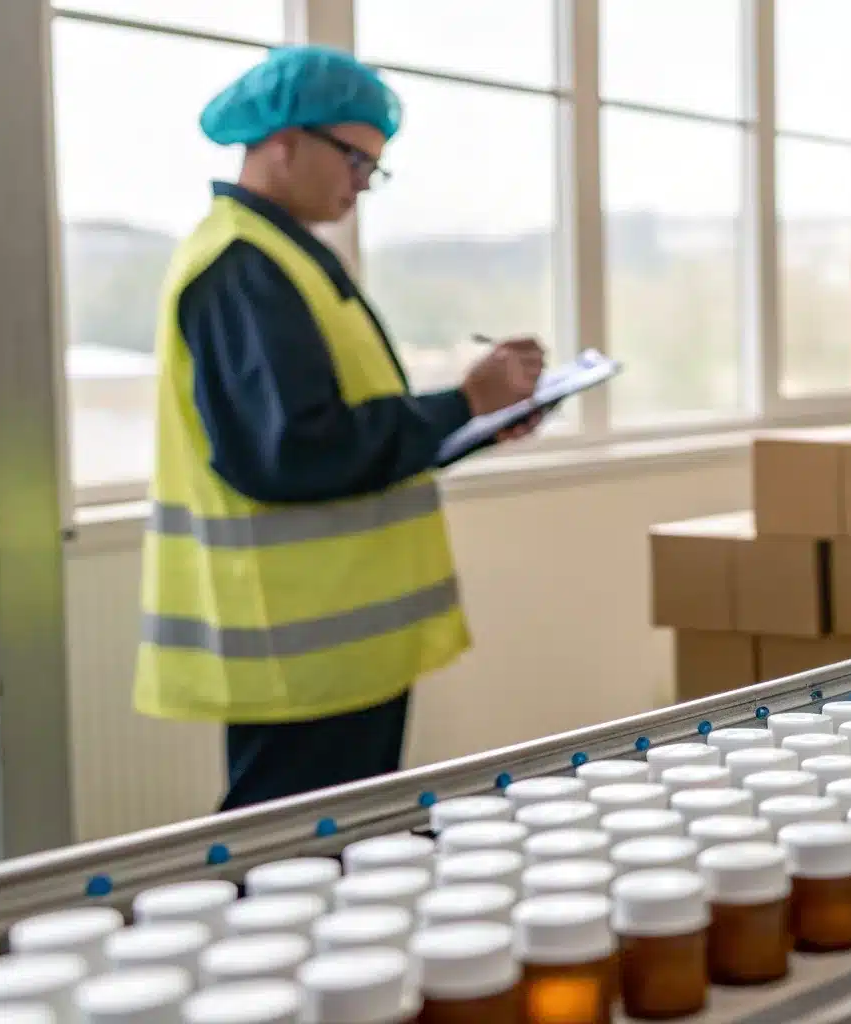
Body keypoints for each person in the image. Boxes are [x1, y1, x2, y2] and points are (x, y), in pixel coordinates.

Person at [132, 46, 544, 812]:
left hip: (335, 648)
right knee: (288, 876)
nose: (362, 184)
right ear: (283, 143)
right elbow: (296, 452)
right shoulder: (240, 267)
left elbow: (339, 433)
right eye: (354, 159)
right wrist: (459, 404)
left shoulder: (287, 257)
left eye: (371, 168)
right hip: (295, 649)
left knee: (340, 861)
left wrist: (479, 421)